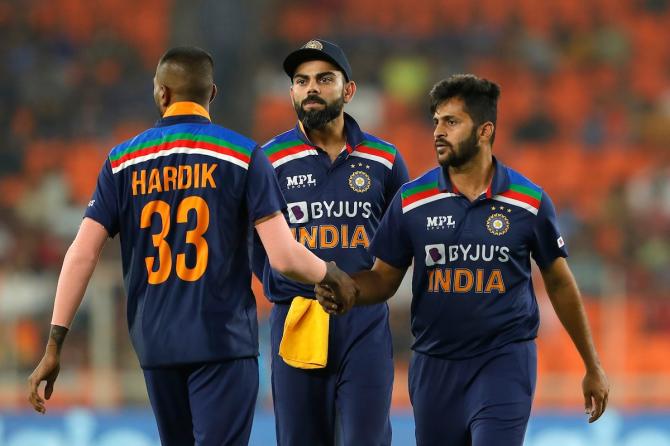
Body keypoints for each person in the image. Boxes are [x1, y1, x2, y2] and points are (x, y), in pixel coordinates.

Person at [27, 46, 358, 446]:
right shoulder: (244, 156)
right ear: (212, 94)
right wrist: (331, 273)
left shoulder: (121, 162)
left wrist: (54, 343)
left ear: (161, 93)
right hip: (223, 343)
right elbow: (285, 256)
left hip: (156, 345)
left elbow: (82, 253)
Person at [317, 74, 610, 446]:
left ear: (485, 130)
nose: (438, 131)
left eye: (451, 122)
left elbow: (559, 281)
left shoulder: (529, 202)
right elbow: (384, 279)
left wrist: (591, 364)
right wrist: (349, 289)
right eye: (436, 121)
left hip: (504, 359)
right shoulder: (411, 201)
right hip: (434, 366)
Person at [253, 38, 409, 446]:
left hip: (365, 322)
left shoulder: (386, 160)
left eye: (324, 79)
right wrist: (289, 287)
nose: (311, 88)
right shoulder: (267, 161)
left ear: (348, 90)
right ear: (291, 92)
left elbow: (404, 241)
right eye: (301, 81)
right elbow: (256, 250)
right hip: (298, 318)